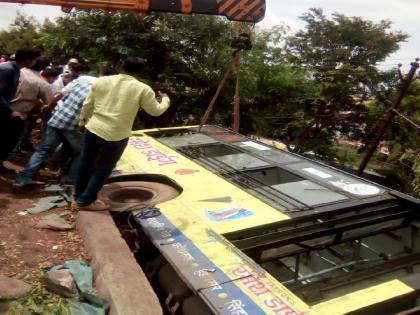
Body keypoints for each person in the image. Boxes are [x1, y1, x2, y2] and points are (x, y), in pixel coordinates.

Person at [74, 57, 170, 211]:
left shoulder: (101, 81)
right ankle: (86, 201)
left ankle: (78, 196)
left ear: (121, 66)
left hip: (94, 128)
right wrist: (165, 100)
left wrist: (82, 123)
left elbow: (88, 104)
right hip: (117, 134)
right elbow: (156, 111)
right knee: (104, 168)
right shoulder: (143, 89)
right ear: (140, 72)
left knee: (86, 162)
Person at [15, 75, 97, 187]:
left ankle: (23, 177)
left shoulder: (83, 80)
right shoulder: (103, 90)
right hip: (73, 125)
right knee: (81, 152)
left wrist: (49, 106)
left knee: (43, 149)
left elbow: (59, 95)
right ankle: (70, 180)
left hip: (58, 118)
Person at [0, 48, 41, 171]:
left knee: (11, 135)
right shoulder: (7, 70)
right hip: (3, 109)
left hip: (4, 108)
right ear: (28, 61)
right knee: (8, 135)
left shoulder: (15, 70)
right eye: (34, 60)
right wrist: (10, 111)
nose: (35, 63)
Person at [10, 57, 54, 153]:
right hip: (18, 114)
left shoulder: (17, 71)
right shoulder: (42, 83)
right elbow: (50, 102)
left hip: (4, 107)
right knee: (9, 141)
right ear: (44, 68)